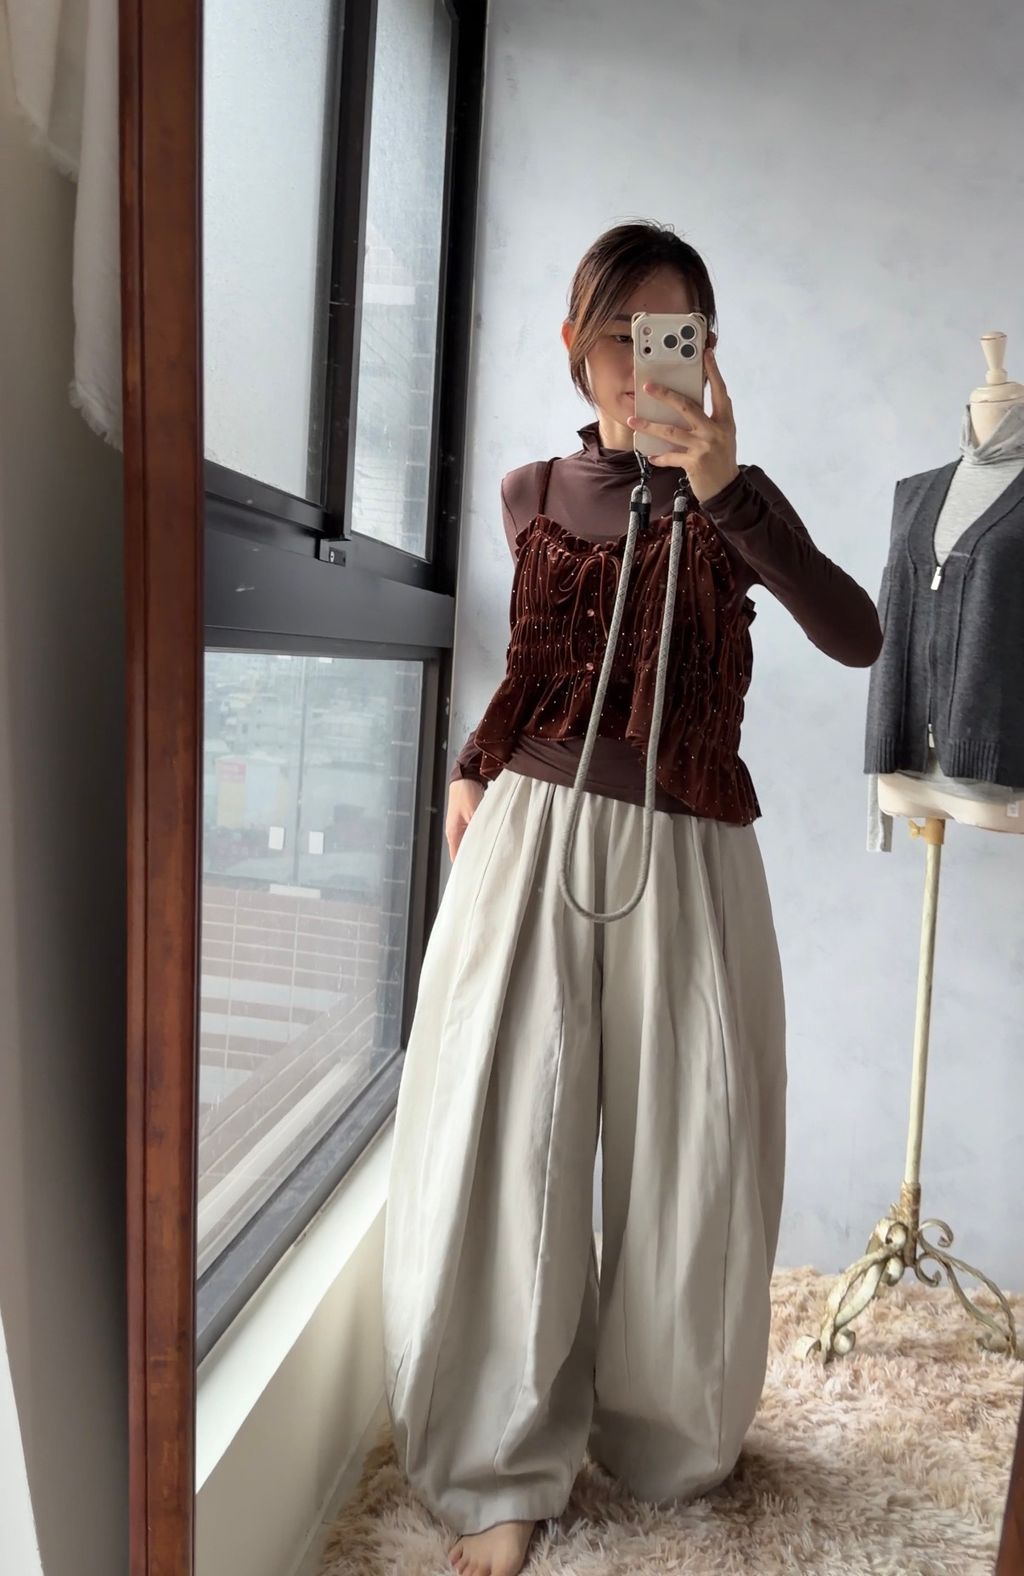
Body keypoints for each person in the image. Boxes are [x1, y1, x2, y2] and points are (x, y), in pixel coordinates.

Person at [381, 220, 883, 1576]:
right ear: (573, 342)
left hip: (693, 847)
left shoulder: (732, 500)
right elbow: (533, 667)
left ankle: (666, 1439)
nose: (638, 359)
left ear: (708, 351)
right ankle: (497, 1463)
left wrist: (728, 490)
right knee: (509, 1138)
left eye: (672, 334)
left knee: (693, 1147)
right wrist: (471, 763)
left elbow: (857, 635)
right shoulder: (531, 491)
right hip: (532, 834)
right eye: (617, 331)